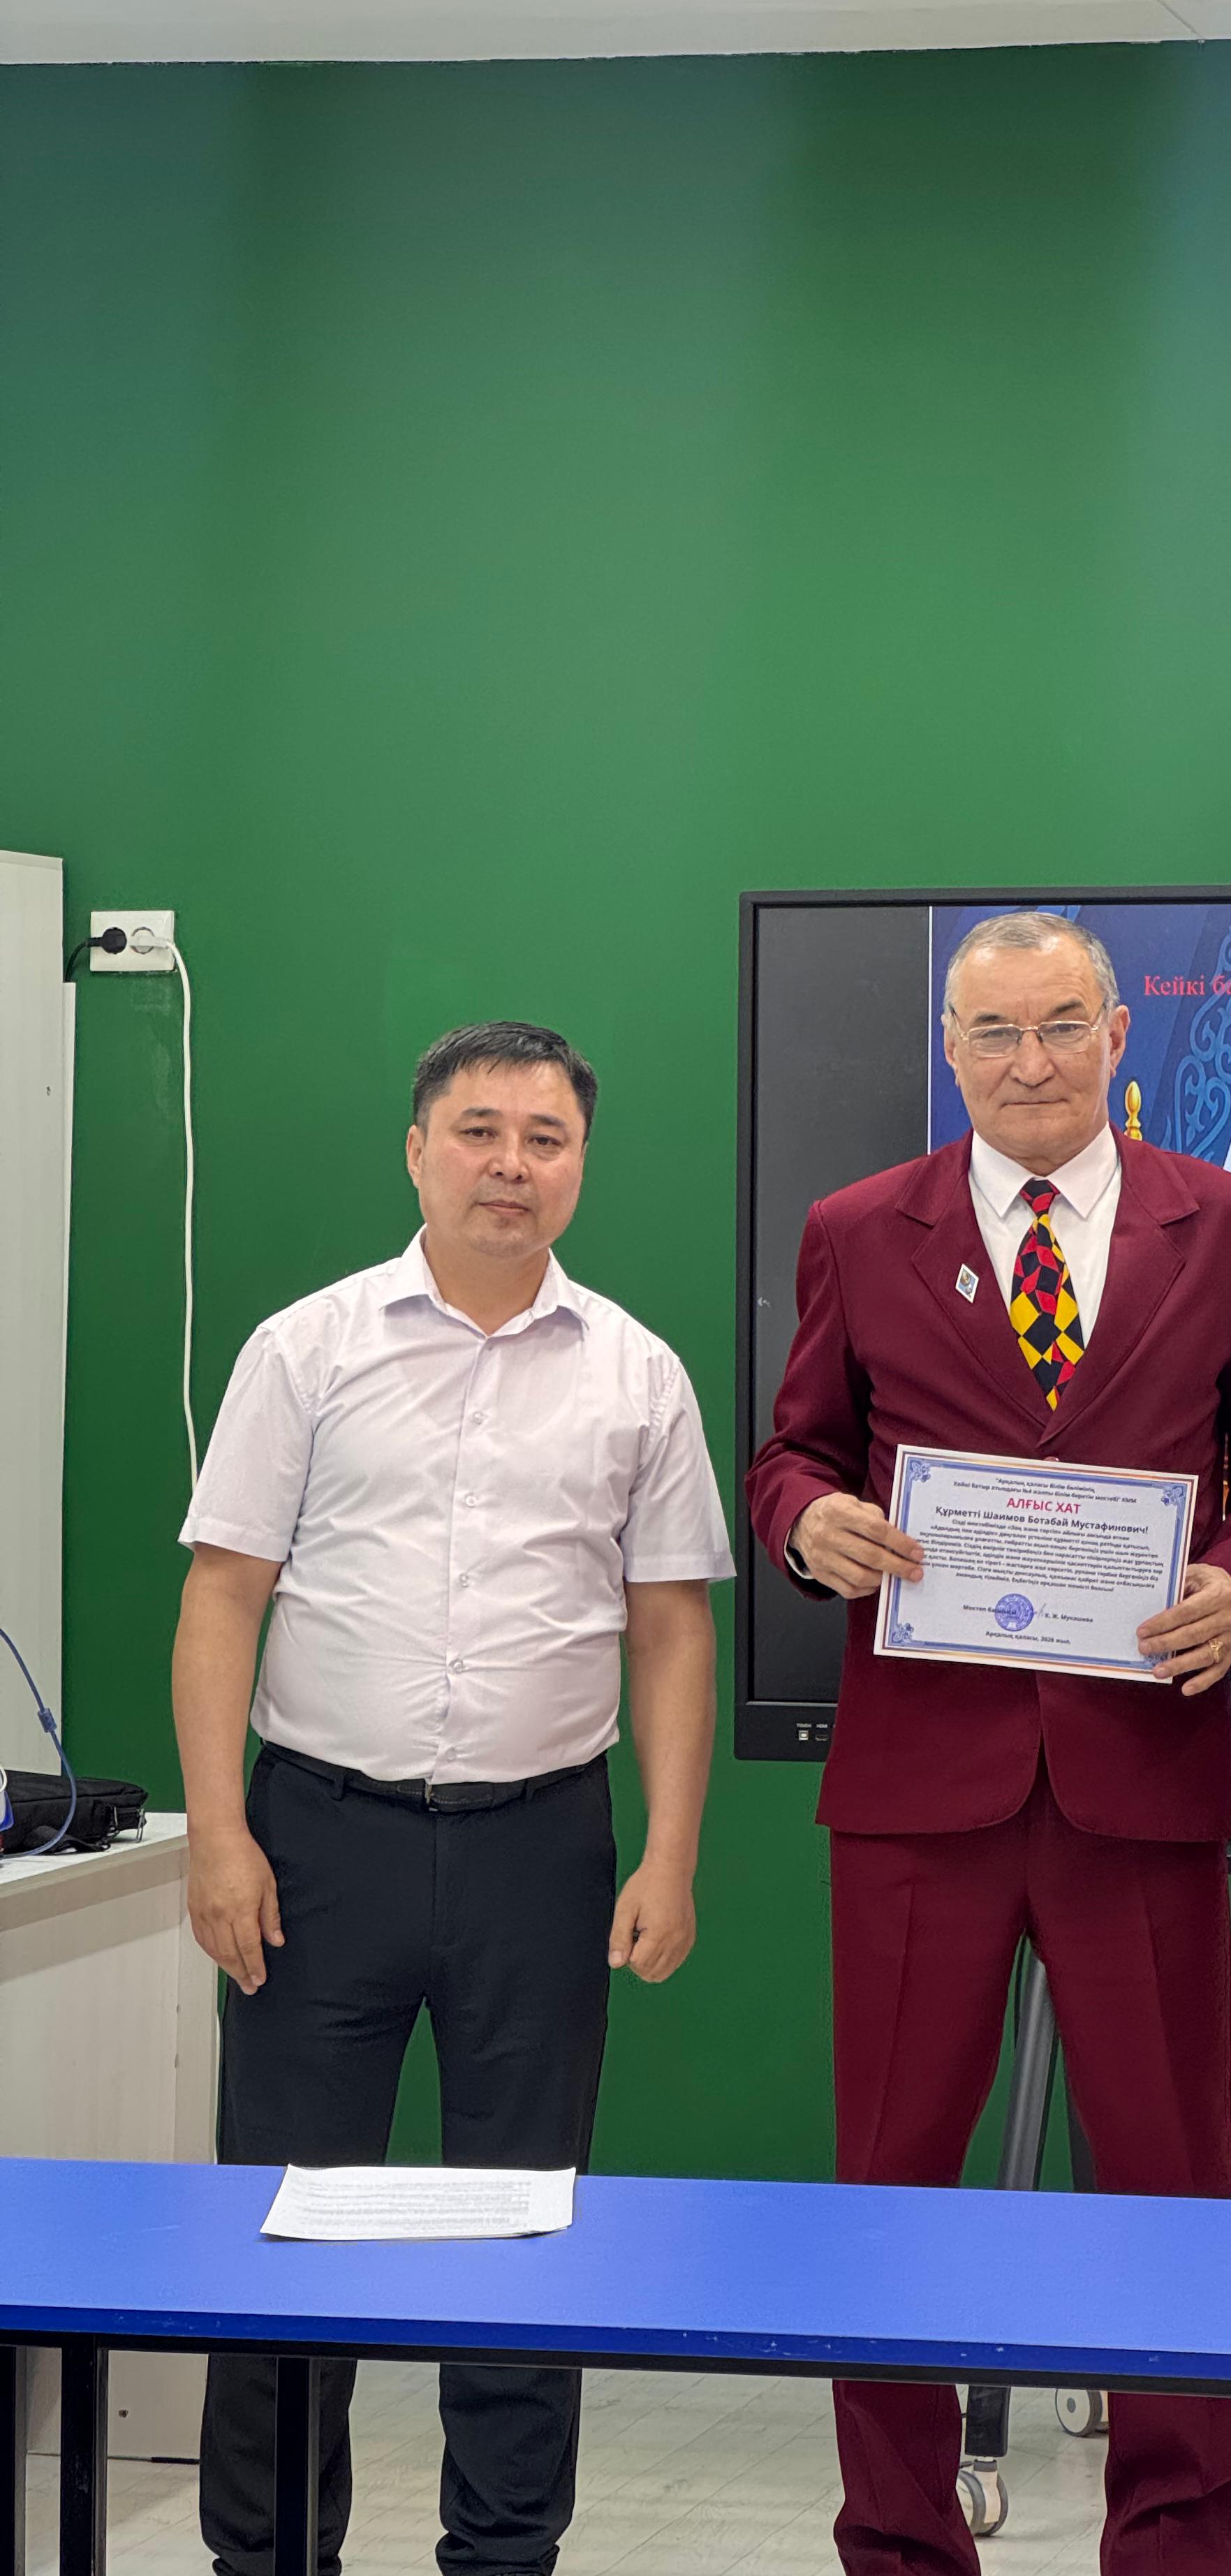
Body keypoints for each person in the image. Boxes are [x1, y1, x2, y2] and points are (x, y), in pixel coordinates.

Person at [749, 909, 1231, 2576]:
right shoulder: (858, 1229)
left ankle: (1179, 2542)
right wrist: (809, 1526)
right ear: (950, 1049)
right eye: (995, 1033)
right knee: (888, 2190)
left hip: (1138, 1776)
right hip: (918, 1787)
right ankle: (899, 2541)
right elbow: (792, 1453)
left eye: (1060, 1026)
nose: (1029, 1063)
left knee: (1173, 2186)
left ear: (1117, 1035)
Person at [173, 1020, 732, 2576]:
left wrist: (670, 1853)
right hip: (316, 1844)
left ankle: (504, 2552)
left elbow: (672, 1628)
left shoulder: (637, 1371)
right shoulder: (306, 1348)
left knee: (524, 2229)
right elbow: (224, 1596)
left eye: (545, 1139)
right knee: (284, 2226)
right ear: (418, 1151)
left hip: (541, 1851)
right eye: (479, 1132)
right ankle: (266, 2555)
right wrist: (218, 1834)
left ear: (580, 1166)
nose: (511, 1165)